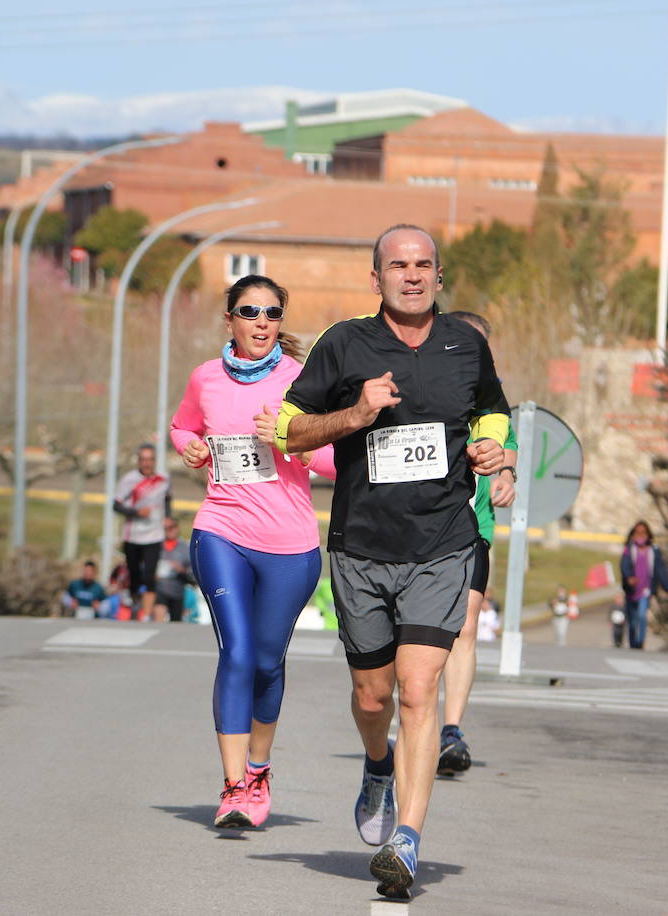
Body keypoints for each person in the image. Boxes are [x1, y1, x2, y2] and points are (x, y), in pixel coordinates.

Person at [271, 224, 509, 899]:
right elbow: (290, 430)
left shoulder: (466, 344)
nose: (411, 275)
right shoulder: (345, 343)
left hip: (442, 544)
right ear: (375, 279)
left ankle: (406, 839)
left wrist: (494, 451)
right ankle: (378, 762)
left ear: (439, 274)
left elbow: (493, 412)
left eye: (423, 265)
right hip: (362, 548)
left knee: (418, 689)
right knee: (374, 696)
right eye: (397, 266)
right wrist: (355, 413)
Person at [170, 274, 334, 829]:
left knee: (267, 660)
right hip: (221, 530)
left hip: (290, 544)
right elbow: (181, 426)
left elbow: (339, 460)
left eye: (271, 313)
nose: (261, 322)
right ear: (230, 320)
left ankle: (260, 770)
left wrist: (294, 440)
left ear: (280, 321)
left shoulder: (303, 381)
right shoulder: (205, 379)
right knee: (236, 652)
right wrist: (190, 446)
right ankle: (234, 786)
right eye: (249, 311)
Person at [438, 310, 517, 777]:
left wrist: (506, 475)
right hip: (413, 530)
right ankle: (412, 717)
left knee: (466, 628)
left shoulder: (491, 399)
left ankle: (451, 732)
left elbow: (507, 445)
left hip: (472, 529)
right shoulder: (420, 386)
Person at [113, 443, 171, 624]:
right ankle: (135, 604)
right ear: (139, 461)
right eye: (143, 460)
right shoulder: (129, 480)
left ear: (155, 461)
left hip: (154, 535)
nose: (147, 463)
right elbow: (116, 505)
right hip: (133, 536)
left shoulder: (163, 478)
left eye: (150, 460)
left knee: (150, 575)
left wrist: (168, 517)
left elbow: (168, 498)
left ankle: (146, 615)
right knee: (135, 575)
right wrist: (136, 512)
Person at [619, 521, 668, 650]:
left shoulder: (654, 551)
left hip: (646, 589)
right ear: (633, 535)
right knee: (632, 620)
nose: (640, 535)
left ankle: (640, 641)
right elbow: (624, 565)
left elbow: (660, 570)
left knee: (642, 615)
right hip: (631, 590)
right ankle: (633, 642)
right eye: (637, 533)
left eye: (643, 533)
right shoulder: (629, 549)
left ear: (648, 535)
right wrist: (629, 578)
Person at [154, 516, 193, 623]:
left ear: (177, 528)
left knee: (175, 624)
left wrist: (182, 570)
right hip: (159, 588)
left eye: (172, 527)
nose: (169, 530)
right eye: (165, 527)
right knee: (159, 617)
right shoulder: (155, 547)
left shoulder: (185, 548)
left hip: (177, 591)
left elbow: (193, 574)